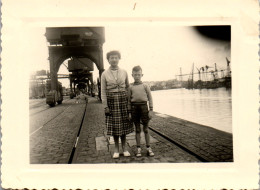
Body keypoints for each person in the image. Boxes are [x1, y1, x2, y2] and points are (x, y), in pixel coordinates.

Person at [101, 50, 134, 159]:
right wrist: (105, 106)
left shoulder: (124, 72)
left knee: (123, 125)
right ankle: (116, 149)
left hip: (123, 100)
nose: (114, 59)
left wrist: (129, 102)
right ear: (108, 60)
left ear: (119, 59)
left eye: (116, 57)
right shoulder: (104, 74)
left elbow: (128, 87)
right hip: (111, 101)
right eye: (111, 58)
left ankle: (124, 148)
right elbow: (103, 91)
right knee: (115, 127)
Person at [128, 65, 155, 157]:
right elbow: (128, 100)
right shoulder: (130, 87)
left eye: (139, 74)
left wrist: (151, 110)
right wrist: (129, 112)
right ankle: (138, 148)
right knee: (137, 129)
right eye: (135, 75)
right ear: (132, 75)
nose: (137, 76)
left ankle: (148, 148)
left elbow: (150, 98)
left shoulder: (145, 86)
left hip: (144, 107)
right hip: (134, 108)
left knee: (146, 129)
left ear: (142, 75)